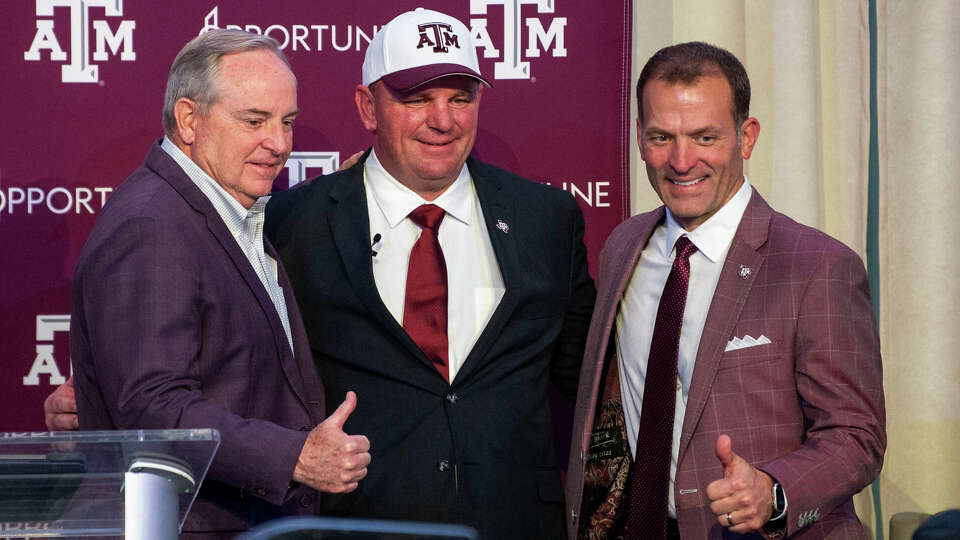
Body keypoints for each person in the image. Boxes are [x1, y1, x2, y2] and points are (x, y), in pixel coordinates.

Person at [264, 8, 595, 538]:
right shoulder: (292, 226)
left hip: (515, 524)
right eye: (417, 99)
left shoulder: (546, 221)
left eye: (460, 98)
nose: (444, 120)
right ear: (367, 107)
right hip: (357, 524)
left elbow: (594, 381)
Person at [565, 42, 885, 539]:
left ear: (747, 136)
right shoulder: (623, 246)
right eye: (661, 137)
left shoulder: (818, 265)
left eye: (705, 136)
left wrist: (774, 490)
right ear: (639, 137)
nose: (681, 160)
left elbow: (856, 436)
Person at [66, 29, 370, 537]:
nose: (278, 144)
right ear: (189, 120)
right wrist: (293, 455)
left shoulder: (229, 213)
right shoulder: (153, 225)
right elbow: (152, 406)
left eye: (287, 122)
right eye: (254, 121)